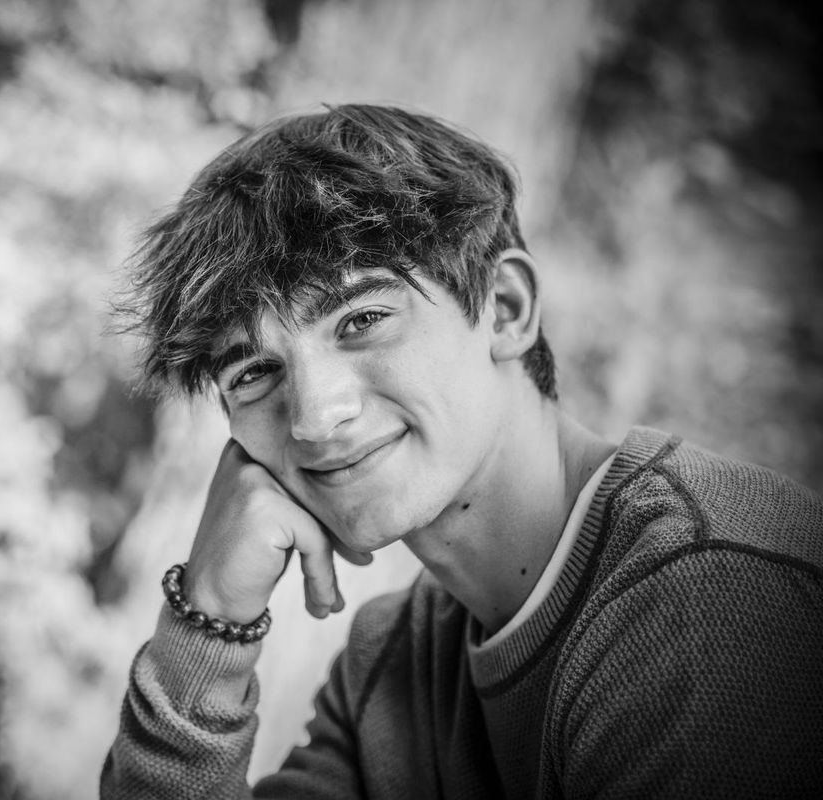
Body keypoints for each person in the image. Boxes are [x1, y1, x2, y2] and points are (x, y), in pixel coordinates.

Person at [100, 104, 823, 799]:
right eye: (253, 374)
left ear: (504, 309)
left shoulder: (703, 593)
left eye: (363, 319)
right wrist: (209, 620)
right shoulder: (391, 659)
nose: (316, 417)